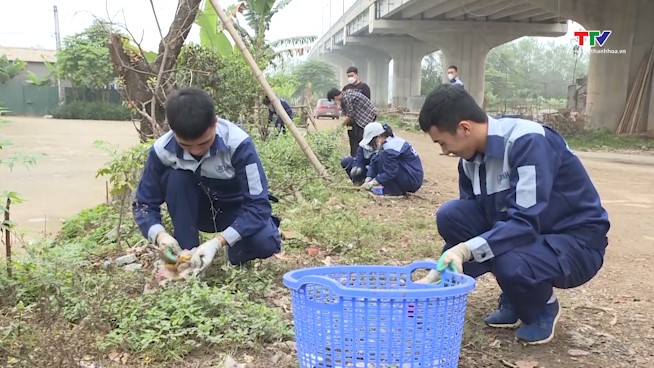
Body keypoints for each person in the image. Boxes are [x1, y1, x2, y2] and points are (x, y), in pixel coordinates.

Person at [417, 83, 610, 345]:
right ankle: (516, 293)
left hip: (575, 241)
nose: (444, 150)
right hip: (528, 234)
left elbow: (524, 223)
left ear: (464, 128)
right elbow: (474, 228)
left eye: (442, 142)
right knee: (452, 215)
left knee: (511, 263)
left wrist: (465, 251)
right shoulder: (470, 162)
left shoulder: (527, 142)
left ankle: (542, 305)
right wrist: (443, 273)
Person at [133, 87, 282, 272]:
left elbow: (258, 206)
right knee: (177, 177)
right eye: (185, 145)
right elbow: (144, 204)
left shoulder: (238, 144)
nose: (196, 151)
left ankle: (235, 255)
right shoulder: (161, 151)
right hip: (195, 211)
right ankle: (187, 260)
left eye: (204, 142)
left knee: (265, 241)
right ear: (172, 131)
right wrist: (161, 236)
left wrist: (219, 242)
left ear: (215, 122)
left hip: (234, 210)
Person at [358, 122, 424, 196]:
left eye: (371, 142)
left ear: (378, 137)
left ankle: (392, 190)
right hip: (408, 174)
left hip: (412, 179)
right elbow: (374, 161)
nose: (371, 145)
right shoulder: (387, 142)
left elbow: (390, 172)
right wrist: (368, 178)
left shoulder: (391, 147)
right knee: (379, 158)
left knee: (382, 159)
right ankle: (393, 189)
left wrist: (373, 183)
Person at [327, 87, 377, 157]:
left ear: (335, 97)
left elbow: (350, 115)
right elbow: (346, 114)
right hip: (361, 115)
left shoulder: (346, 97)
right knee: (355, 136)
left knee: (361, 137)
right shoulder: (345, 95)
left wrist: (341, 127)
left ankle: (364, 156)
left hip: (367, 115)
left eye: (334, 100)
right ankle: (356, 156)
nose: (335, 102)